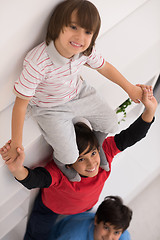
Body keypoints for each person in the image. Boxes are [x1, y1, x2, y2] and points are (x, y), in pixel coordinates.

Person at [2, 0, 150, 181]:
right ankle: (62, 162)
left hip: (79, 93)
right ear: (57, 26)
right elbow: (20, 105)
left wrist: (130, 88)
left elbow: (105, 67)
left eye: (88, 32)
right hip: (50, 108)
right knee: (69, 156)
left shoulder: (85, 51)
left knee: (111, 123)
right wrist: (17, 143)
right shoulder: (38, 62)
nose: (80, 37)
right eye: (73, 27)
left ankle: (98, 147)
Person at [0, 86, 157, 240]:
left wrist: (150, 110)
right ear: (69, 163)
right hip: (50, 208)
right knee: (36, 236)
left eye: (93, 153)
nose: (91, 164)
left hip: (84, 207)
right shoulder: (60, 174)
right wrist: (16, 168)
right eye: (81, 159)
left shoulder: (104, 153)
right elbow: (34, 179)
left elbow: (131, 136)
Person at [48, 196, 132, 240]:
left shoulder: (123, 235)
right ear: (96, 221)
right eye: (106, 228)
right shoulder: (73, 236)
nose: (109, 237)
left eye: (116, 232)